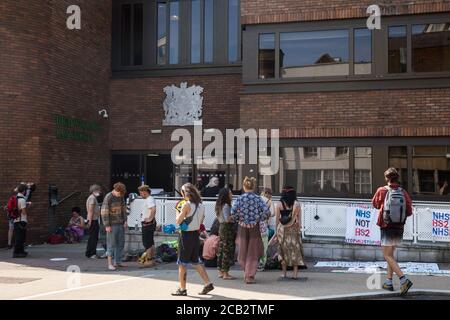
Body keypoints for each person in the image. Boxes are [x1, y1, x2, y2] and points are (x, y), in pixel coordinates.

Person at [372, 168, 413, 295]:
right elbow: (410, 211)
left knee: (387, 255)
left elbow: (375, 204)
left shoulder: (382, 190)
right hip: (399, 227)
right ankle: (389, 282)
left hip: (387, 226)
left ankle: (403, 280)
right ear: (397, 178)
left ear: (386, 178)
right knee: (391, 255)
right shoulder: (403, 192)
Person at [172, 183, 214, 296]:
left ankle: (182, 289)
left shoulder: (186, 205)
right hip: (195, 235)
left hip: (185, 236)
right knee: (195, 261)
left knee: (182, 263)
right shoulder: (201, 205)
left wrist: (177, 211)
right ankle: (207, 283)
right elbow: (201, 222)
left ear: (185, 193)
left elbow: (178, 221)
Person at [231, 177, 270, 284]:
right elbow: (267, 212)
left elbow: (233, 213)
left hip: (242, 228)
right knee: (253, 251)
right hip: (254, 228)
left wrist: (239, 219)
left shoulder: (239, 199)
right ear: (253, 186)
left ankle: (246, 272)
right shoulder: (258, 199)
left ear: (244, 186)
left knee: (243, 250)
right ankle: (250, 275)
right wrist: (258, 218)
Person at [275, 187, 305, 280]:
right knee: (294, 251)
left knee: (282, 251)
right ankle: (295, 274)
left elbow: (276, 220)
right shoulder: (297, 204)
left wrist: (276, 232)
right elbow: (299, 220)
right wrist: (298, 228)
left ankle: (284, 274)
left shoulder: (279, 204)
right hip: (293, 231)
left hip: (282, 230)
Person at [101, 182, 128, 271]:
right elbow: (104, 211)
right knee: (111, 244)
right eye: (119, 193)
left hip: (120, 223)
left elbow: (123, 209)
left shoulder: (121, 196)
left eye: (121, 193)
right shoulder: (109, 197)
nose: (119, 195)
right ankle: (110, 263)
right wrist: (107, 225)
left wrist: (125, 220)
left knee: (120, 243)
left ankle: (118, 261)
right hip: (112, 224)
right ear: (115, 190)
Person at [216, 188, 237, 280]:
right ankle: (226, 273)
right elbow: (228, 219)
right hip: (227, 228)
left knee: (221, 249)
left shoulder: (219, 205)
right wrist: (235, 215)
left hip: (221, 227)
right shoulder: (226, 206)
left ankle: (220, 271)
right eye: (230, 193)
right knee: (227, 249)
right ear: (226, 195)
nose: (231, 194)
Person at [138, 185, 157, 267]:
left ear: (145, 192)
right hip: (150, 223)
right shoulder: (149, 199)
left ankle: (149, 260)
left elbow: (153, 209)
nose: (140, 195)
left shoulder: (149, 199)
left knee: (147, 242)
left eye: (141, 193)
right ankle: (152, 259)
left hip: (148, 223)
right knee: (151, 241)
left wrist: (150, 218)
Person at [259, 188, 275, 271]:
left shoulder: (256, 199)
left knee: (255, 244)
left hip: (253, 226)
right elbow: (273, 213)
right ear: (268, 194)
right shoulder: (269, 202)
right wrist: (266, 216)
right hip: (263, 226)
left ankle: (253, 263)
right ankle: (261, 264)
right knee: (264, 245)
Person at [12, 184, 28, 258]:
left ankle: (21, 251)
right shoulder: (22, 200)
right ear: (24, 191)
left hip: (16, 220)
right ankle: (16, 253)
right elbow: (23, 212)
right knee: (20, 237)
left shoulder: (16, 198)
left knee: (20, 237)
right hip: (21, 220)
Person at [85, 184, 102, 258]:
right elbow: (90, 211)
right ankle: (92, 253)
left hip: (92, 219)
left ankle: (89, 253)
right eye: (98, 190)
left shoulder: (91, 198)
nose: (100, 192)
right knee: (93, 237)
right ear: (94, 191)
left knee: (92, 237)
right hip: (93, 220)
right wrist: (90, 221)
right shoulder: (92, 198)